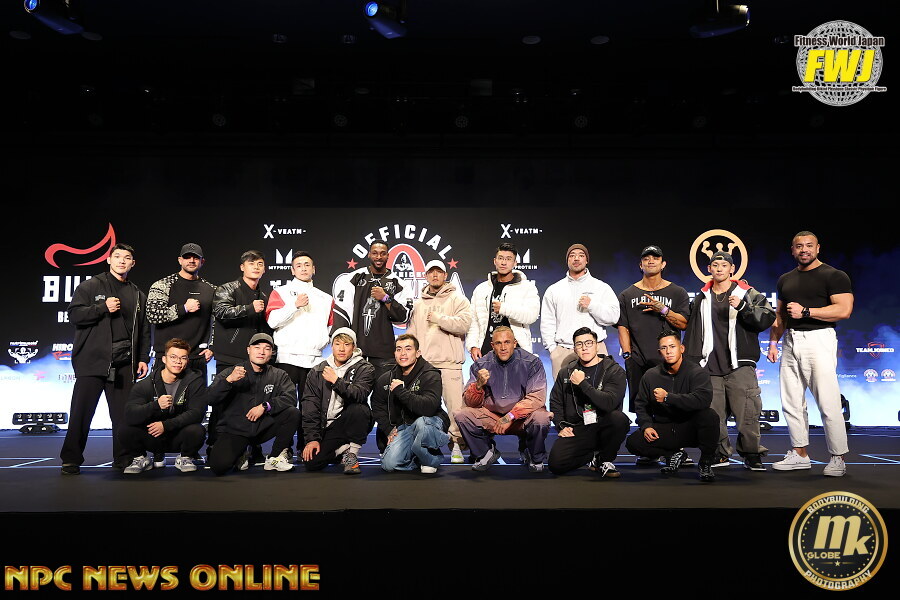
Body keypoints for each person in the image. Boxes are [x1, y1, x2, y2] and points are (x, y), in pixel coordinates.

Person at [768, 231, 853, 477]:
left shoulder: (834, 275)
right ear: (792, 250)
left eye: (808, 245)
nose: (804, 249)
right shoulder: (785, 279)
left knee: (828, 402)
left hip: (819, 338)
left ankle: (838, 458)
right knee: (791, 402)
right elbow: (781, 316)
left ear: (817, 248)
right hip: (790, 340)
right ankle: (800, 454)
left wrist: (806, 311)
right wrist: (773, 342)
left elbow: (844, 310)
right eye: (799, 246)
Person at [60, 243, 151, 474]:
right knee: (81, 413)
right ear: (109, 260)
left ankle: (123, 458)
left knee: (123, 416)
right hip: (92, 361)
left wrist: (142, 358)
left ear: (133, 263)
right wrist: (102, 307)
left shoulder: (138, 294)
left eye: (127, 257)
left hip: (124, 363)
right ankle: (71, 459)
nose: (122, 261)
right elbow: (74, 315)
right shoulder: (90, 286)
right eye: (117, 256)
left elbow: (144, 330)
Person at [684, 251, 775, 471]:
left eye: (724, 265)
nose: (719, 269)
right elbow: (691, 329)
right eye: (715, 265)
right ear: (709, 269)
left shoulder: (747, 292)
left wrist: (744, 307)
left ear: (732, 269)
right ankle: (720, 453)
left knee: (748, 413)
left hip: (739, 364)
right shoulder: (702, 297)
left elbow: (768, 317)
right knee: (714, 416)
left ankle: (752, 454)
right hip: (709, 365)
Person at [625, 331, 718, 482]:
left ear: (681, 348)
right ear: (659, 352)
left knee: (710, 416)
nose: (668, 351)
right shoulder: (650, 375)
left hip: (690, 428)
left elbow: (703, 400)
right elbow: (641, 405)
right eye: (664, 348)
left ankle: (706, 463)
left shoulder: (696, 372)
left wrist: (668, 397)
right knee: (633, 442)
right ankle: (673, 455)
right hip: (665, 428)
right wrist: (646, 425)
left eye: (672, 346)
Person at [266, 251, 335, 455]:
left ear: (314, 269)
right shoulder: (281, 292)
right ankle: (284, 448)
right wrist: (294, 305)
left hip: (314, 359)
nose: (303, 268)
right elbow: (272, 321)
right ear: (292, 270)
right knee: (286, 406)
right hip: (286, 357)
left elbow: (330, 327)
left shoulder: (326, 298)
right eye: (299, 265)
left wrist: (321, 343)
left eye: (307, 265)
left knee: (311, 406)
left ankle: (307, 445)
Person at [456, 326, 550, 472]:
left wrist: (510, 416)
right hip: (492, 417)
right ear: (492, 345)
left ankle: (533, 454)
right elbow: (471, 403)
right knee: (461, 415)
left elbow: (537, 397)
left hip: (520, 418)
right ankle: (486, 453)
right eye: (498, 343)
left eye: (507, 342)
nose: (503, 347)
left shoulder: (532, 362)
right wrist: (478, 386)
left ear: (515, 343)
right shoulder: (480, 365)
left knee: (541, 418)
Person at [208, 250, 272, 464]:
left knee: (252, 401)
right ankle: (215, 445)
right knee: (223, 402)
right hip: (229, 356)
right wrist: (249, 308)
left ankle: (251, 447)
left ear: (264, 269)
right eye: (251, 263)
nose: (256, 267)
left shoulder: (264, 296)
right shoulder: (228, 288)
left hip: (254, 360)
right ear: (242, 267)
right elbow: (220, 312)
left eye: (260, 264)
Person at [406, 260, 472, 463]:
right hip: (425, 366)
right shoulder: (419, 304)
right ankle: (425, 446)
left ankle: (456, 445)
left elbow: (464, 325)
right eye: (431, 272)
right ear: (426, 275)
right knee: (423, 409)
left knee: (455, 409)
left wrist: (440, 318)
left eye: (439, 272)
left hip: (450, 363)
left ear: (445, 275)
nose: (435, 275)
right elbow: (412, 333)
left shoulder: (458, 299)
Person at [205, 334, 299, 475]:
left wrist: (265, 406)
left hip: (263, 426)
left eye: (267, 348)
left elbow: (291, 398)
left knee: (292, 413)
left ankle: (275, 457)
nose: (262, 352)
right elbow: (209, 398)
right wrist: (228, 381)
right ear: (248, 350)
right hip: (236, 430)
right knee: (218, 467)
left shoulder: (278, 375)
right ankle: (241, 452)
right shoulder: (232, 372)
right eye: (257, 347)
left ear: (272, 353)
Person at [616, 245, 690, 414]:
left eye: (655, 258)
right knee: (641, 409)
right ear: (640, 265)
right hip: (637, 360)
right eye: (646, 258)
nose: (650, 261)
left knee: (668, 407)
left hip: (667, 359)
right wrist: (627, 356)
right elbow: (623, 326)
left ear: (663, 264)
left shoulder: (677, 292)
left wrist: (663, 309)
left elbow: (683, 324)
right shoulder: (627, 295)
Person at [548, 327, 629, 478]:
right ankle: (593, 457)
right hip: (578, 427)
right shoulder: (566, 372)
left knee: (619, 419)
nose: (584, 347)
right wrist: (561, 426)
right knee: (556, 465)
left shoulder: (614, 370)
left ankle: (605, 459)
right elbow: (556, 402)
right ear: (575, 349)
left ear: (597, 346)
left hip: (604, 425)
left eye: (589, 343)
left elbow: (610, 403)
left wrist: (582, 384)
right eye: (579, 344)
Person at [120, 338, 207, 474]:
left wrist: (166, 425)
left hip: (178, 434)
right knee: (125, 429)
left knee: (197, 430)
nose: (178, 361)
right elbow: (130, 414)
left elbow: (197, 413)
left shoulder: (195, 381)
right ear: (164, 359)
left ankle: (185, 457)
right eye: (173, 357)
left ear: (187, 361)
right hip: (153, 435)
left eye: (183, 358)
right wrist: (155, 405)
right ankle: (140, 458)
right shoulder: (145, 384)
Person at [300, 328, 376, 474]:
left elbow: (359, 394)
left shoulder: (365, 368)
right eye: (337, 344)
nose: (341, 349)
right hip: (328, 427)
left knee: (359, 409)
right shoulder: (317, 371)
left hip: (350, 421)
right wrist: (312, 439)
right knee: (312, 463)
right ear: (331, 346)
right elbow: (310, 406)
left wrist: (336, 381)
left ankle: (352, 454)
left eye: (346, 344)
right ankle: (342, 450)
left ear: (354, 347)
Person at [334, 241, 409, 385]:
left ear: (388, 255)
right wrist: (343, 345)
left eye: (382, 253)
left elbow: (403, 316)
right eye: (375, 253)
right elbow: (342, 312)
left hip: (384, 353)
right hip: (356, 351)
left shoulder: (397, 282)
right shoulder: (355, 278)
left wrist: (385, 298)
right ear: (369, 255)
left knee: (383, 395)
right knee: (352, 393)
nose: (378, 257)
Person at [373, 335, 450, 474]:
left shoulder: (430, 374)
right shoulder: (386, 378)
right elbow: (377, 405)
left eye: (408, 349)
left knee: (422, 423)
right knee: (389, 464)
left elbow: (429, 408)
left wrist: (400, 391)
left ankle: (430, 459)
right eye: (399, 349)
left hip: (430, 421)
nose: (403, 353)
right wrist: (389, 429)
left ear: (417, 353)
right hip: (405, 427)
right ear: (394, 353)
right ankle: (417, 457)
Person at [541, 243, 619, 380]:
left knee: (599, 391)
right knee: (564, 392)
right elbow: (547, 321)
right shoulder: (554, 289)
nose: (576, 258)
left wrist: (592, 305)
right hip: (564, 351)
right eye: (572, 255)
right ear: (567, 260)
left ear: (586, 260)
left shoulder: (601, 287)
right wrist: (553, 350)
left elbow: (613, 317)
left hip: (595, 350)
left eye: (581, 255)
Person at [146, 243, 216, 379]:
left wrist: (213, 347)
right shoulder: (163, 285)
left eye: (196, 258)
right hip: (167, 357)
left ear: (202, 261)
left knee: (197, 394)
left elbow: (217, 322)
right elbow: (153, 315)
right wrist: (183, 308)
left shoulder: (211, 289)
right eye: (187, 257)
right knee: (162, 394)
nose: (191, 261)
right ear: (180, 260)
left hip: (196, 358)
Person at [466, 242, 540, 361]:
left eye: (508, 259)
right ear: (495, 261)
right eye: (500, 258)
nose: (504, 262)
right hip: (487, 350)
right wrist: (473, 345)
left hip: (517, 351)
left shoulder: (527, 287)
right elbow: (474, 321)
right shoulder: (481, 289)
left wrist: (504, 309)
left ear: (515, 263)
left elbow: (531, 316)